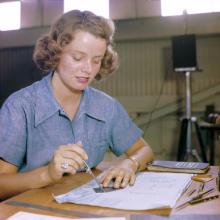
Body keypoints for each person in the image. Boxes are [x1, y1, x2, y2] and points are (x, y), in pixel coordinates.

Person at [0, 10, 154, 200]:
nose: (88, 69)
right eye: (77, 58)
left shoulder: (106, 106)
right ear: (55, 52)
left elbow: (144, 150)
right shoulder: (20, 107)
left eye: (96, 60)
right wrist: (47, 174)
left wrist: (130, 164)